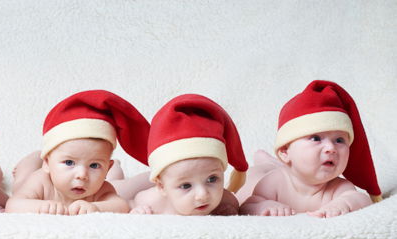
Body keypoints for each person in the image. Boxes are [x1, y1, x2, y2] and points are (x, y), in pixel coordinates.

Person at [238, 80, 382, 217]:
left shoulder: (339, 187)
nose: (331, 148)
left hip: (286, 164)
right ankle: (265, 160)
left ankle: (271, 161)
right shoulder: (274, 181)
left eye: (339, 140)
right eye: (316, 138)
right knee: (262, 169)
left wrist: (343, 204)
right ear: (285, 151)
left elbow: (362, 200)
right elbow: (245, 207)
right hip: (261, 173)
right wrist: (264, 206)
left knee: (278, 166)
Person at [5, 90, 150, 215]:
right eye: (69, 162)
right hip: (32, 172)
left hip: (109, 178)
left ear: (107, 168)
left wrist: (95, 207)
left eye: (94, 165)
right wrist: (41, 206)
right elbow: (13, 204)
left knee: (118, 184)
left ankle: (116, 167)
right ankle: (32, 159)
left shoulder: (102, 188)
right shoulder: (41, 181)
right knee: (21, 181)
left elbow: (121, 205)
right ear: (47, 163)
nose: (82, 175)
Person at [117, 94, 248, 215]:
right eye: (186, 186)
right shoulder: (151, 201)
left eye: (212, 179)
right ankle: (115, 167)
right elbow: (128, 203)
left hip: (168, 176)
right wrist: (137, 210)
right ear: (161, 187)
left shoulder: (226, 202)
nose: (202, 195)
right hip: (144, 181)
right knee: (120, 187)